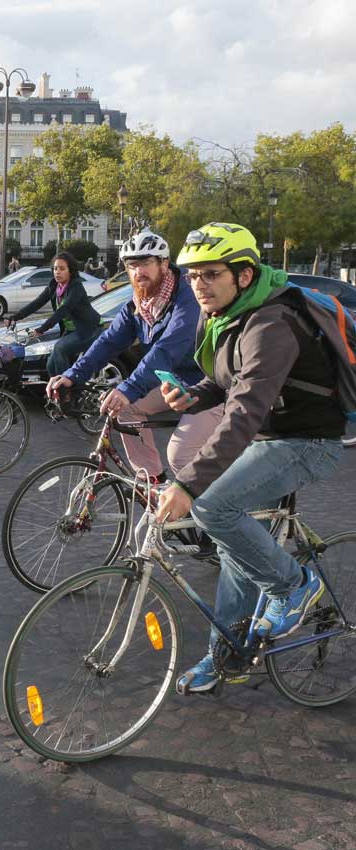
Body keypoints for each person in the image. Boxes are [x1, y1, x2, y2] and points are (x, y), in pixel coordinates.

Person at [155, 223, 346, 693]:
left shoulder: (271, 324)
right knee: (236, 550)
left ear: (244, 275)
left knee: (211, 506)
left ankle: (294, 587)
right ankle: (229, 657)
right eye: (192, 276)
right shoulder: (227, 315)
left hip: (308, 442)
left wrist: (187, 484)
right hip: (270, 438)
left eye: (210, 274)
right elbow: (226, 383)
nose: (198, 284)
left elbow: (244, 410)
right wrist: (192, 396)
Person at [48, 230, 222, 483]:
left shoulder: (188, 297)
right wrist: (72, 375)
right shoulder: (140, 303)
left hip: (213, 384)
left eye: (145, 263)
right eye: (131, 265)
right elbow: (108, 341)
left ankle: (210, 516)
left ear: (164, 263)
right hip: (179, 382)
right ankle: (154, 485)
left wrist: (128, 389)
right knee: (126, 412)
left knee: (181, 454)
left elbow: (167, 349)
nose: (138, 272)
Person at [5, 251, 100, 377]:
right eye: (55, 269)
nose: (57, 272)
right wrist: (15, 317)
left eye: (62, 269)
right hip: (72, 331)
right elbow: (37, 303)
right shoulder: (54, 285)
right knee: (50, 363)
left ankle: (66, 390)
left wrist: (42, 329)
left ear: (70, 270)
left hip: (88, 330)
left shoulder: (76, 287)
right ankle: (56, 391)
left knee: (59, 348)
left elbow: (64, 309)